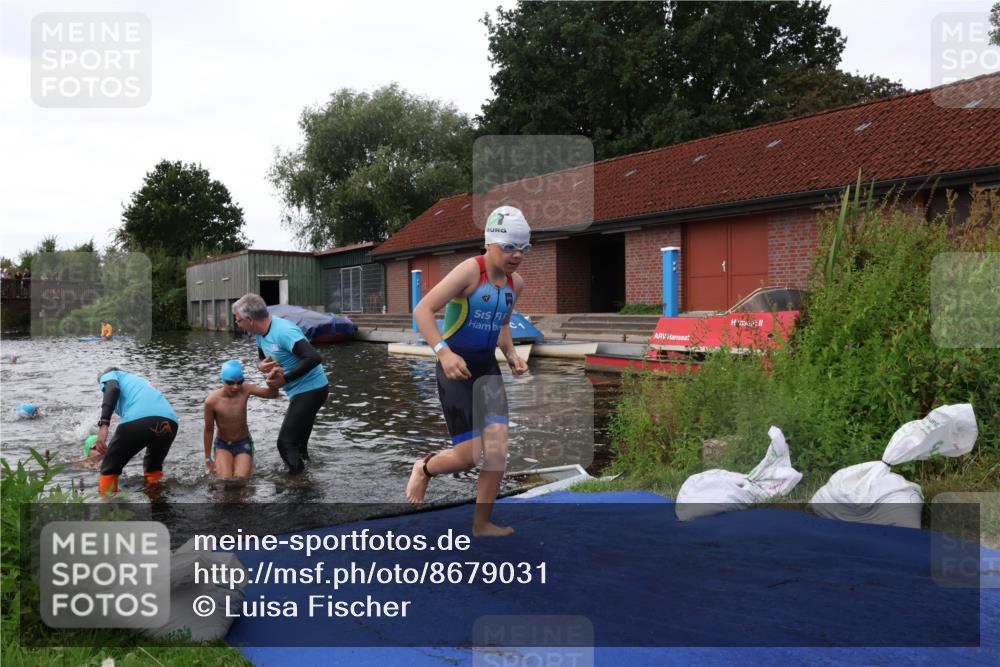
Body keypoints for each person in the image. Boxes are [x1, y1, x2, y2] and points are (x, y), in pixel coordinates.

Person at [405, 205, 530, 537]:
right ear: (489, 243)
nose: (516, 255)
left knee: (499, 448)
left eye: (523, 248)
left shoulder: (515, 284)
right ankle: (425, 467)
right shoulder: (470, 272)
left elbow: (502, 324)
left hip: (487, 368)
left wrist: (512, 353)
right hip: (456, 367)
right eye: (509, 247)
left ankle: (482, 523)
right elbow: (423, 310)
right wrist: (443, 353)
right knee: (467, 457)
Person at [232, 294, 329, 474]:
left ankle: (298, 484)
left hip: (312, 390)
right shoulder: (260, 333)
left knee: (285, 443)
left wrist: (286, 378)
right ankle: (306, 477)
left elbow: (314, 357)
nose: (237, 324)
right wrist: (260, 366)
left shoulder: (283, 331)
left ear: (249, 320)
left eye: (238, 320)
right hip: (299, 391)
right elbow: (263, 359)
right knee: (298, 445)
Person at [92, 367, 178, 496]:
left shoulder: (110, 375)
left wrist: (104, 425)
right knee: (153, 468)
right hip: (170, 421)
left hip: (141, 418)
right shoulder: (139, 381)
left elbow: (112, 389)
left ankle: (108, 509)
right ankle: (158, 505)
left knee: (109, 468)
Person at [203, 359, 278, 478]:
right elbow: (208, 430)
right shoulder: (211, 401)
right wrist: (208, 459)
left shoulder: (246, 389)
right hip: (223, 445)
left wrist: (273, 383)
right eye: (230, 383)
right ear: (223, 380)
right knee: (225, 479)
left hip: (243, 443)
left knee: (241, 479)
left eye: (239, 382)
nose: (235, 387)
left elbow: (272, 395)